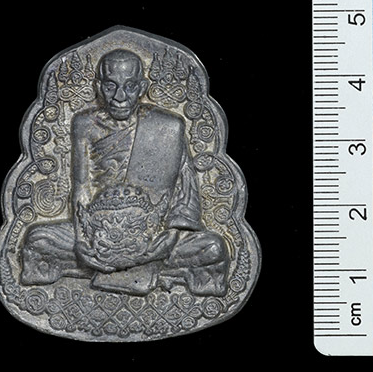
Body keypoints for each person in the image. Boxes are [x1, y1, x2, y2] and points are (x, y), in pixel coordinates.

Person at [21, 49, 229, 296]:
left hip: (153, 237)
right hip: (97, 234)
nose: (119, 97)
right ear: (99, 87)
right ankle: (140, 269)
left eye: (130, 87)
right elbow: (82, 189)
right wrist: (81, 243)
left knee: (213, 248)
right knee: (37, 240)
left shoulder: (168, 127)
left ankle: (113, 268)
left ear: (142, 88)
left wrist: (166, 242)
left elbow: (185, 198)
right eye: (111, 86)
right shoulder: (84, 124)